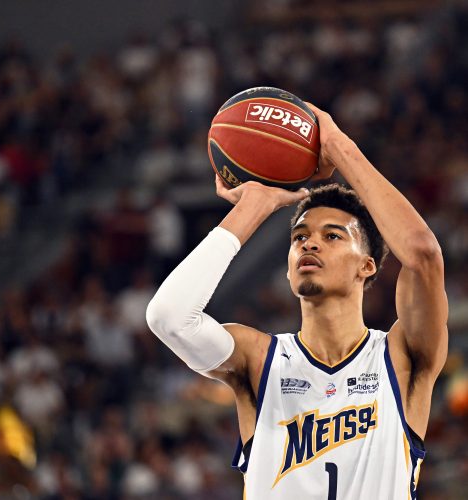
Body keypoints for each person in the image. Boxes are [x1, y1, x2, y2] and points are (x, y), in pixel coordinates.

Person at [146, 103, 448, 499]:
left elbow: (423, 255)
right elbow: (169, 318)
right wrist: (254, 205)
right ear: (288, 271)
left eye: (333, 235)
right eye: (299, 236)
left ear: (368, 266)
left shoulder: (400, 355)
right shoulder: (258, 360)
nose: (310, 242)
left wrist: (338, 146)